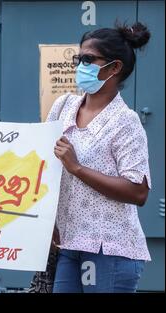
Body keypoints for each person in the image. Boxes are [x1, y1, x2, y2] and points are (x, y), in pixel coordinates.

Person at [46, 22, 152, 293]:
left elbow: (138, 191)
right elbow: (44, 164)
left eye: (88, 59)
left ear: (114, 68)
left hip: (110, 249)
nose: (80, 65)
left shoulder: (125, 122)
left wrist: (77, 168)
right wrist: (47, 221)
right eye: (79, 58)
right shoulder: (63, 106)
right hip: (69, 242)